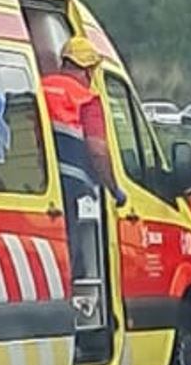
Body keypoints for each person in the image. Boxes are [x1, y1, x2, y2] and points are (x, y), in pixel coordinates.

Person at [40, 37, 126, 275]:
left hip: (38, 183)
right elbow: (97, 152)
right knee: (73, 257)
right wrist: (114, 189)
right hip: (70, 185)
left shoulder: (40, 87)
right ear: (88, 70)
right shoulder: (86, 98)